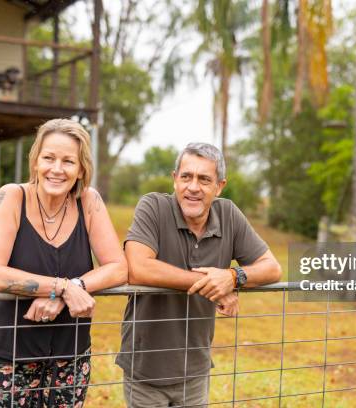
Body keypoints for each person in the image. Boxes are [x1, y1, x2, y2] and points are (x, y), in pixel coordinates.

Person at [0, 118, 127, 407]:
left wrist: (72, 289)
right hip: (4, 358)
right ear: (36, 161)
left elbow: (119, 267)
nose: (57, 169)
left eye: (68, 161)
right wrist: (60, 288)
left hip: (68, 359)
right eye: (49, 158)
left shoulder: (88, 201)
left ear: (81, 169)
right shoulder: (12, 197)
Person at [117, 143, 282, 407]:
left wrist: (232, 277)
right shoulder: (153, 207)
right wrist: (212, 283)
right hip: (145, 371)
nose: (193, 187)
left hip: (195, 370)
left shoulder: (228, 214)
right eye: (186, 177)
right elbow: (138, 268)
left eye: (204, 179)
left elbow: (272, 267)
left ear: (219, 186)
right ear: (175, 179)